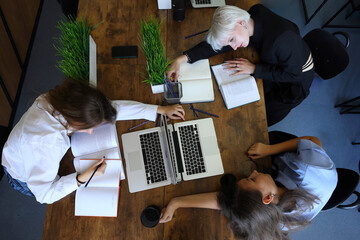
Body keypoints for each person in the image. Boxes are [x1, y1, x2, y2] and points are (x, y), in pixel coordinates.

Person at [1, 79, 185, 204]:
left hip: (27, 148)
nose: (90, 132)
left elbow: (110, 109)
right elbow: (44, 195)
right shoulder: (46, 145)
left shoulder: (58, 100)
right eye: (88, 127)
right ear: (74, 120)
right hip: (22, 175)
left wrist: (159, 110)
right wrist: (82, 178)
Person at [159, 131, 337, 240]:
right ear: (268, 198)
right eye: (252, 179)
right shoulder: (275, 222)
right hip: (304, 168)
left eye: (251, 179)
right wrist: (177, 202)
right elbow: (224, 201)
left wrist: (177, 202)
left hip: (308, 166)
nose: (253, 173)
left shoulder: (308, 171)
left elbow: (313, 141)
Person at [167, 4, 315, 126]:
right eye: (230, 42)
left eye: (232, 39)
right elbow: (218, 45)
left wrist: (255, 69)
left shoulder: (279, 41)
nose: (235, 47)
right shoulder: (251, 16)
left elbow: (293, 74)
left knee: (259, 119)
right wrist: (181, 59)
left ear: (240, 23)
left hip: (294, 83)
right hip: (282, 59)